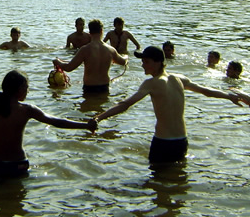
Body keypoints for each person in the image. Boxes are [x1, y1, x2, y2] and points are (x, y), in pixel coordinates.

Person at [94, 46, 240, 164]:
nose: (142, 65)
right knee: (177, 179)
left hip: (163, 142)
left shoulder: (151, 83)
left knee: (156, 181)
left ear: (158, 62)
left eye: (146, 61)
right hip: (181, 141)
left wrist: (99, 118)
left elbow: (125, 104)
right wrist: (229, 96)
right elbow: (206, 91)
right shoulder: (179, 79)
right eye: (142, 61)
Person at [0, 70, 97, 179]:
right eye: (26, 87)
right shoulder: (26, 110)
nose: (28, 91)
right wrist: (85, 125)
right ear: (19, 90)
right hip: (18, 165)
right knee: (18, 203)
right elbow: (56, 121)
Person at [53, 19, 128, 96]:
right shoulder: (111, 50)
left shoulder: (85, 49)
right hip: (105, 87)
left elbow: (69, 67)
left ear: (90, 32)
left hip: (89, 88)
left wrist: (57, 61)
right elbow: (123, 62)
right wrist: (126, 57)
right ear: (101, 31)